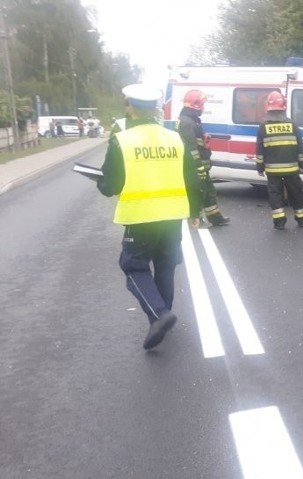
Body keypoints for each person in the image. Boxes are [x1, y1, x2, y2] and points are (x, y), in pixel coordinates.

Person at [96, 84, 200, 350]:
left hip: (141, 216)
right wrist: (195, 212)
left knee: (133, 267)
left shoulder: (123, 140)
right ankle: (161, 316)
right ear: (155, 109)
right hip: (172, 215)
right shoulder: (174, 138)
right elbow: (192, 177)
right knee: (165, 266)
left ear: (129, 107)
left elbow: (110, 186)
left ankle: (159, 315)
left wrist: (100, 180)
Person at [255, 91, 303, 230]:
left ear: (269, 107)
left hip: (273, 170)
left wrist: (260, 167)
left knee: (275, 195)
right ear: (283, 106)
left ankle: (279, 222)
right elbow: (300, 146)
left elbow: (260, 150)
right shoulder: (292, 124)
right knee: (296, 193)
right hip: (292, 168)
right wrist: (301, 164)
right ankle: (302, 219)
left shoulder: (263, 126)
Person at [177, 89, 230, 227]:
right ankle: (196, 220)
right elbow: (191, 148)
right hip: (193, 167)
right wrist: (199, 166)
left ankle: (215, 218)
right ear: (196, 105)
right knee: (196, 192)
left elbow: (196, 144)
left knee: (208, 191)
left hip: (199, 166)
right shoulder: (187, 122)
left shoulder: (191, 121)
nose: (203, 107)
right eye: (202, 105)